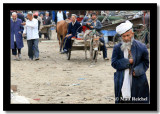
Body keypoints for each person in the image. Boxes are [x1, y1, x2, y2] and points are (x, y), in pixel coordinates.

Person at [111, 20, 149, 103]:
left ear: (132, 34)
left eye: (128, 35)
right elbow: (114, 63)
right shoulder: (117, 47)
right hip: (121, 79)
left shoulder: (141, 47)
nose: (126, 38)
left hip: (138, 80)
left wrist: (138, 70)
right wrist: (128, 62)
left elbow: (146, 63)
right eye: (123, 36)